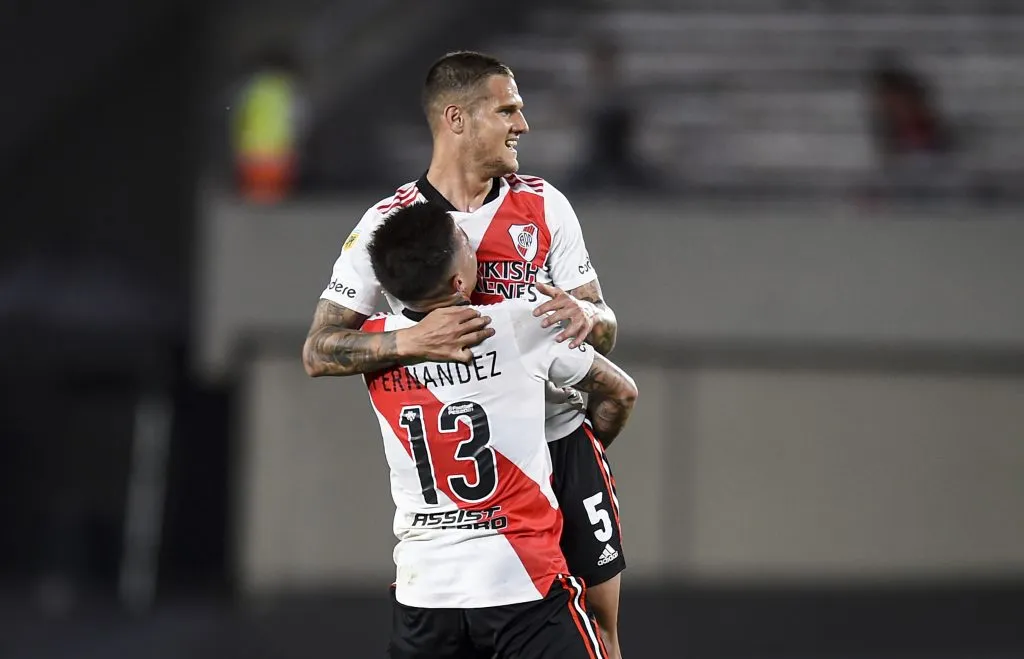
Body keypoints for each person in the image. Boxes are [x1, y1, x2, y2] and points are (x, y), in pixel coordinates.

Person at [303, 51, 628, 657]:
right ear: (456, 118)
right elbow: (319, 349)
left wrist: (589, 317)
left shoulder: (546, 205)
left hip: (558, 441)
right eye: (508, 109)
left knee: (601, 623)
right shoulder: (389, 225)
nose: (522, 125)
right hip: (463, 467)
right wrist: (407, 341)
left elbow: (604, 325)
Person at [362, 201, 637, 659]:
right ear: (459, 282)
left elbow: (321, 352)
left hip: (425, 589)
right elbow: (621, 392)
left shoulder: (373, 345)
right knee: (603, 633)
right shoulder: (518, 322)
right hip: (519, 577)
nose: (473, 240)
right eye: (465, 242)